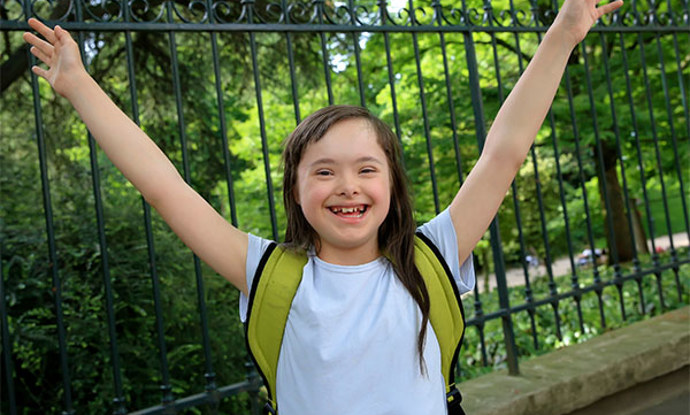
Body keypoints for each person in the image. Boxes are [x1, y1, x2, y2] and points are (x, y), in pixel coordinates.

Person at [23, 0, 623, 413]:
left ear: (392, 183)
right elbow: (164, 186)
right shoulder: (266, 271)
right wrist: (79, 84)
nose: (348, 186)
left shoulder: (435, 253)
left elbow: (504, 153)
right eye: (324, 171)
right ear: (297, 188)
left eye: (366, 169)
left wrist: (563, 32)